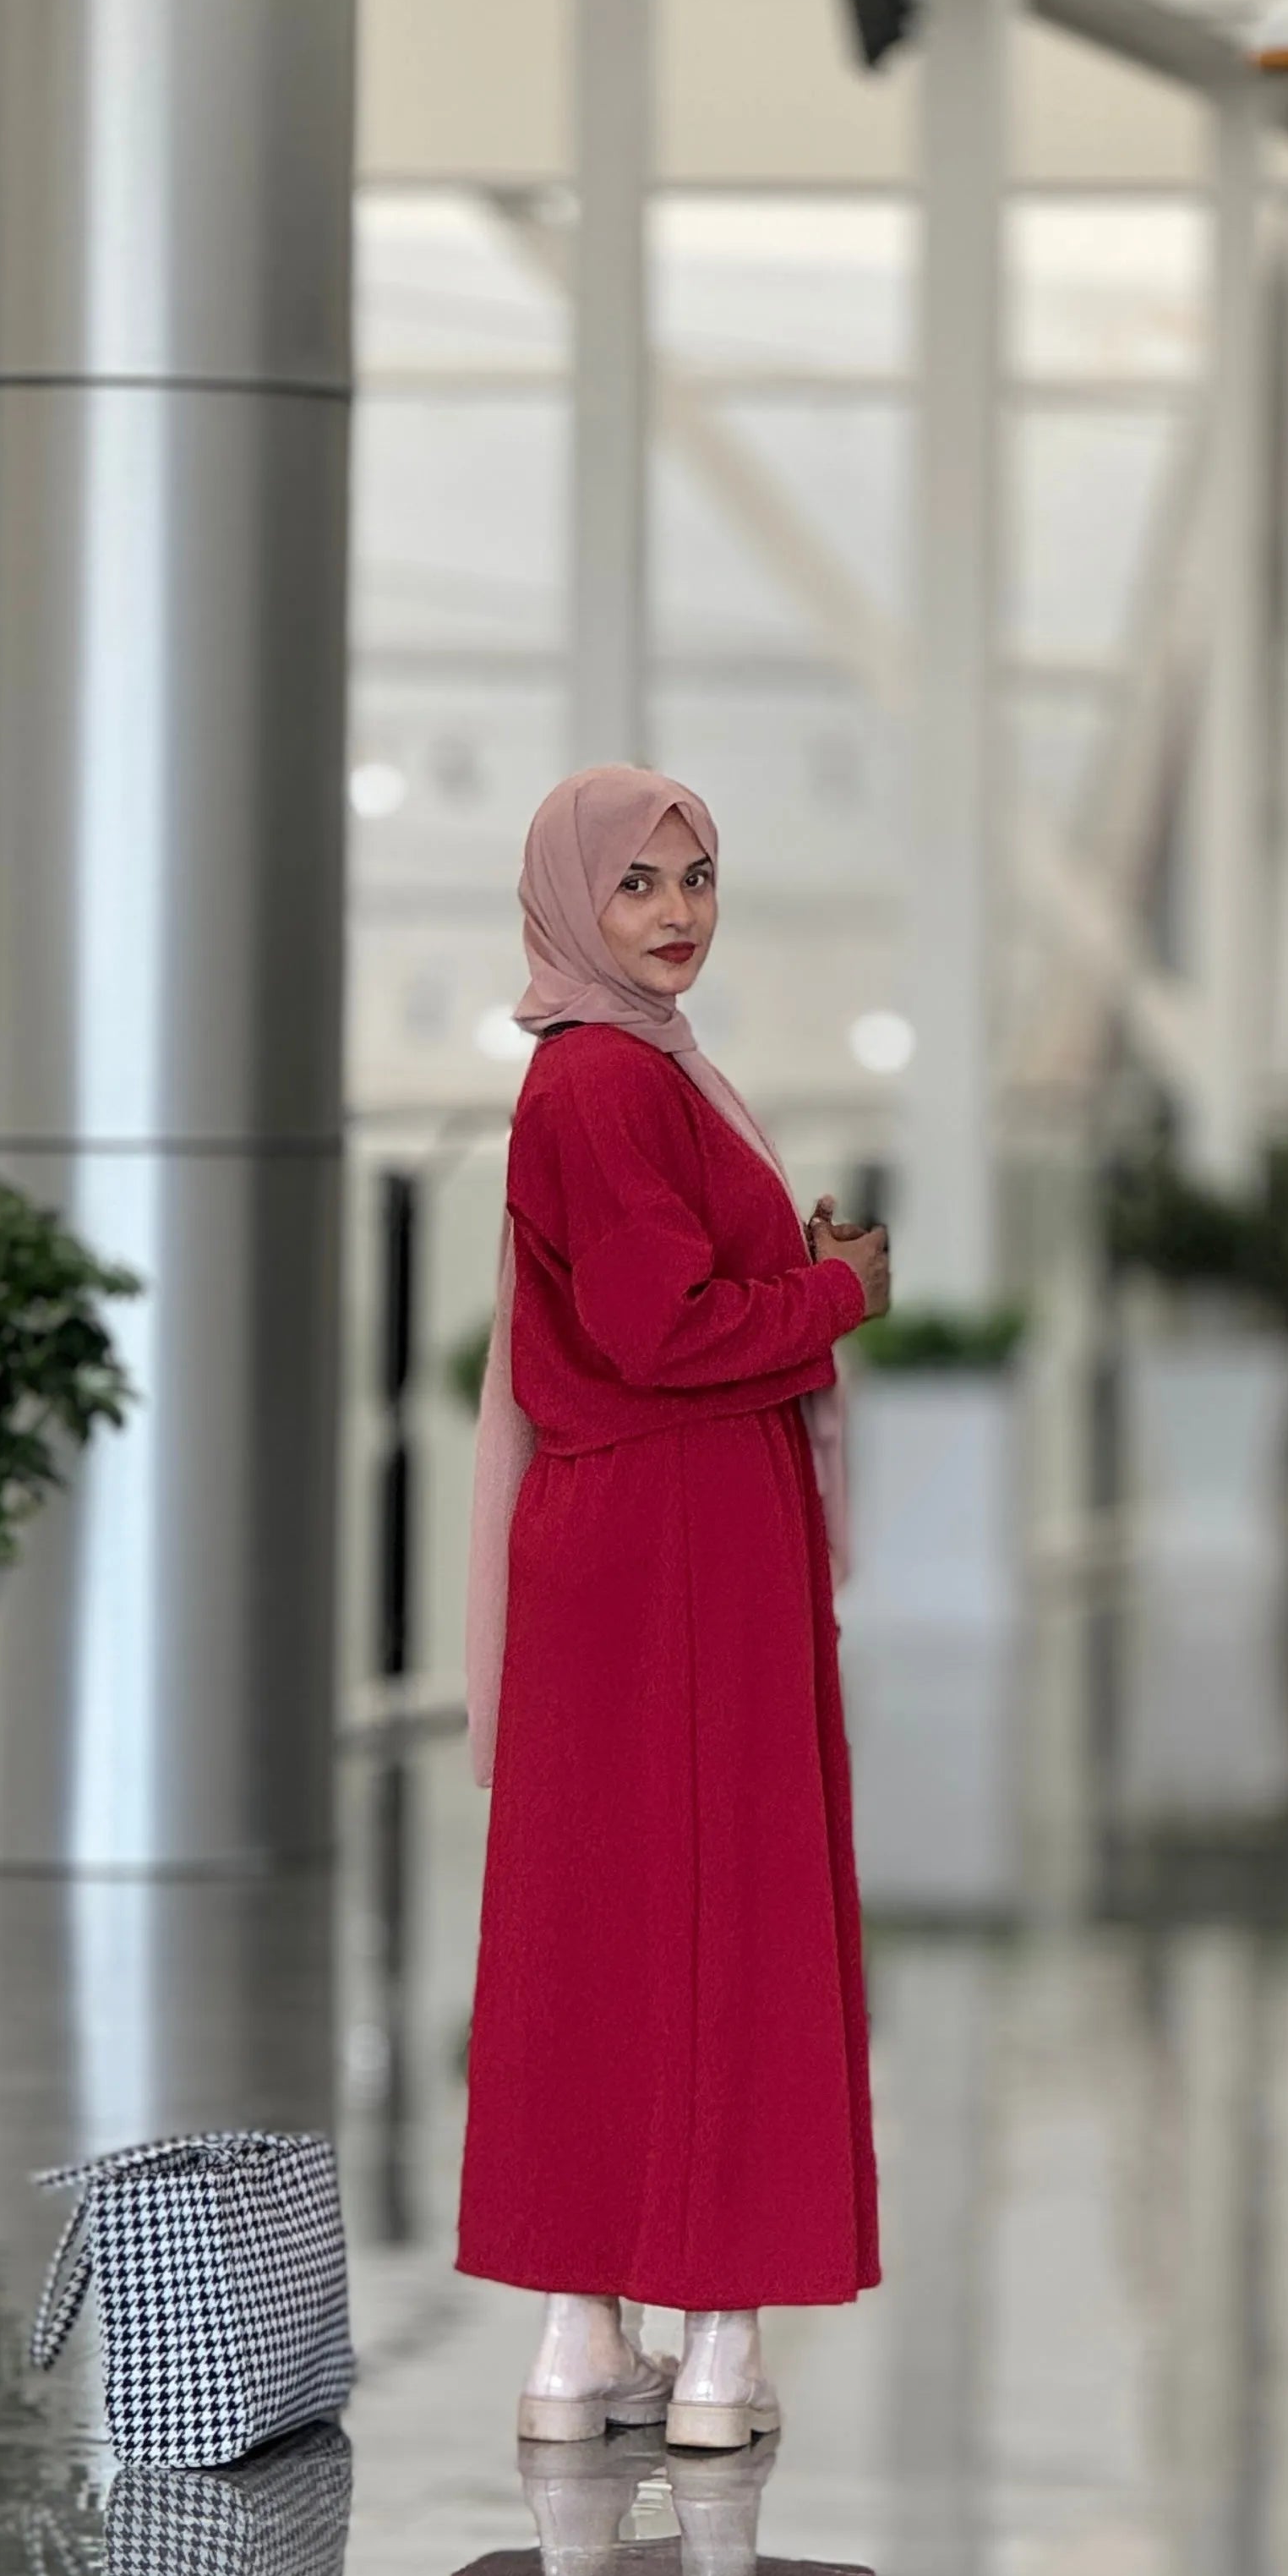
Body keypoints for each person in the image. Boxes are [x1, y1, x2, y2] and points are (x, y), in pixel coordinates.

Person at [459, 763, 889, 2449]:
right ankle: (712, 2346)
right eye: (637, 884)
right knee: (725, 1912)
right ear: (573, 901)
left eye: (699, 877)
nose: (677, 913)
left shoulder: (613, 1072)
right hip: (685, 1530)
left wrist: (790, 1280)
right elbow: (668, 1331)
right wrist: (839, 1287)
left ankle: (583, 2338)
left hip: (620, 1535)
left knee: (597, 1917)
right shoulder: (605, 1086)